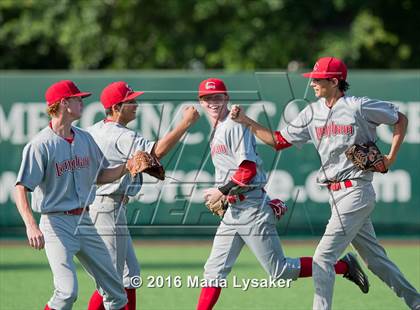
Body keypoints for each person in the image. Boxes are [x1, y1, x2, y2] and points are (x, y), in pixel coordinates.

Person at [229, 57, 420, 310]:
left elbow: (400, 119)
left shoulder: (357, 107)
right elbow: (279, 141)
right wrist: (247, 121)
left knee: (322, 258)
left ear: (334, 81)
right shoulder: (311, 111)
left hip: (356, 190)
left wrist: (390, 157)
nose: (312, 84)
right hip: (335, 195)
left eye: (317, 80)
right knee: (376, 261)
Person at [196, 78, 370, 310]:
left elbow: (248, 170)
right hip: (234, 210)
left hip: (250, 208)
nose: (213, 102)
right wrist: (225, 195)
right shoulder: (218, 128)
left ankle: (344, 266)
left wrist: (221, 190)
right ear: (201, 102)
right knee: (213, 271)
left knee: (280, 271)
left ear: (226, 98)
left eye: (217, 97)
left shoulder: (233, 125)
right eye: (207, 98)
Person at [14, 80, 130, 310]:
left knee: (116, 292)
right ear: (64, 103)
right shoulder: (40, 144)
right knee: (66, 293)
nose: (82, 102)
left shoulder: (85, 138)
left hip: (85, 221)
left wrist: (129, 166)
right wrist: (31, 225)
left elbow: (101, 175)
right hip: (57, 224)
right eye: (78, 99)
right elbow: (21, 187)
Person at [86, 81, 200, 310]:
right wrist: (184, 124)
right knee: (111, 280)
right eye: (131, 101)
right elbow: (156, 153)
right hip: (107, 207)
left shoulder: (93, 130)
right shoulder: (120, 135)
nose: (136, 104)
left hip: (107, 206)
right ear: (117, 107)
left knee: (130, 275)